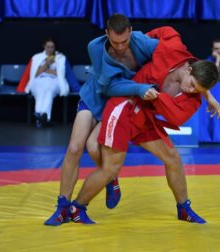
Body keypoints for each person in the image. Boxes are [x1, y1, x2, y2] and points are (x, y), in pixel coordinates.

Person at [68, 26, 220, 225]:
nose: (190, 90)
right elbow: (167, 30)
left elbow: (175, 118)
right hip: (124, 106)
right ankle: (77, 208)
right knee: (108, 165)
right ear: (189, 68)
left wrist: (204, 94)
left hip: (145, 115)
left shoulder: (193, 98)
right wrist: (142, 47)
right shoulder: (172, 49)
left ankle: (183, 208)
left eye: (198, 90)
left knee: (173, 158)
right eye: (191, 84)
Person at [44, 14, 161, 226]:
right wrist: (142, 88)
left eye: (125, 41)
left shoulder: (143, 42)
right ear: (106, 33)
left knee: (94, 148)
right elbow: (108, 86)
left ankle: (108, 176)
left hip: (116, 103)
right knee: (73, 148)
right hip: (95, 96)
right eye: (115, 42)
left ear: (131, 32)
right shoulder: (95, 47)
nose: (120, 47)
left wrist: (206, 94)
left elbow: (174, 57)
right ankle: (62, 208)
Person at [16, 37, 75, 127]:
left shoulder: (60, 57)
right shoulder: (36, 57)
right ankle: (43, 116)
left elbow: (60, 74)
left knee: (49, 90)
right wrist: (47, 64)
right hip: (38, 80)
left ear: (55, 47)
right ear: (44, 46)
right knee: (40, 91)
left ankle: (40, 115)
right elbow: (35, 73)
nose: (50, 49)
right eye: (48, 47)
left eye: (52, 47)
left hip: (54, 81)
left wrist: (44, 70)